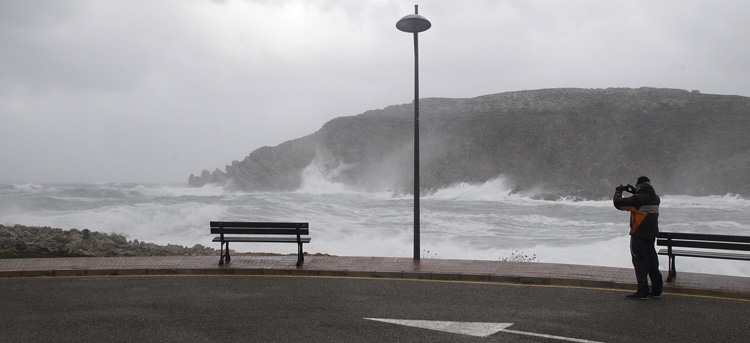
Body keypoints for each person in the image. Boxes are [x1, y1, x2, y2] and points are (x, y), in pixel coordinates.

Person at [613, 176, 663, 300]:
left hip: (639, 235)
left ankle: (642, 291)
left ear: (639, 185)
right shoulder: (656, 198)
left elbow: (618, 204)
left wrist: (618, 191)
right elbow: (642, 200)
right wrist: (634, 192)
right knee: (652, 262)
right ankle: (657, 290)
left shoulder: (637, 199)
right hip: (651, 235)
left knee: (640, 262)